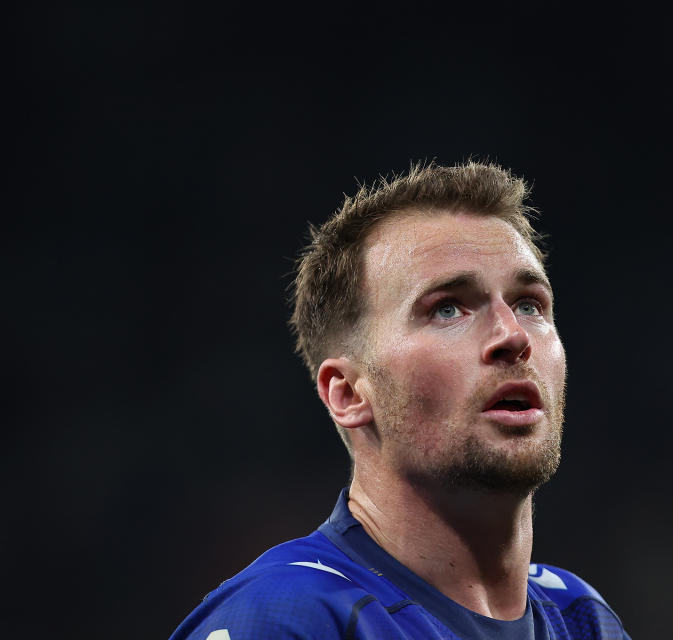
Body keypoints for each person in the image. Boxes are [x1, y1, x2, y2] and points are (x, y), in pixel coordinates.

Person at [169, 162, 631, 639]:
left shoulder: (580, 617)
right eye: (448, 308)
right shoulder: (287, 618)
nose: (513, 336)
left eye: (529, 304)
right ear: (348, 393)